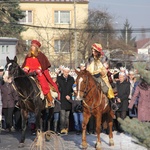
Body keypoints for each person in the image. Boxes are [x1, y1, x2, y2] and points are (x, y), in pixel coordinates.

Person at [22, 40, 59, 107]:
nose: (32, 47)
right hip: (29, 73)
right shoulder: (28, 56)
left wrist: (37, 70)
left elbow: (41, 66)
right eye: (31, 46)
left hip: (38, 73)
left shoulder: (41, 55)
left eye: (33, 46)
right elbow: (27, 65)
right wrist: (25, 70)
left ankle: (50, 100)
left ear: (36, 47)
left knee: (44, 84)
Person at [57, 67, 74, 134]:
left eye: (67, 72)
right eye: (65, 72)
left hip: (68, 99)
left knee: (67, 116)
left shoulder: (71, 79)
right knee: (62, 116)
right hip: (62, 99)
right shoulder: (59, 79)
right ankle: (62, 128)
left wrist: (69, 96)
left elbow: (72, 89)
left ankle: (66, 128)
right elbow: (59, 88)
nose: (66, 73)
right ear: (63, 72)